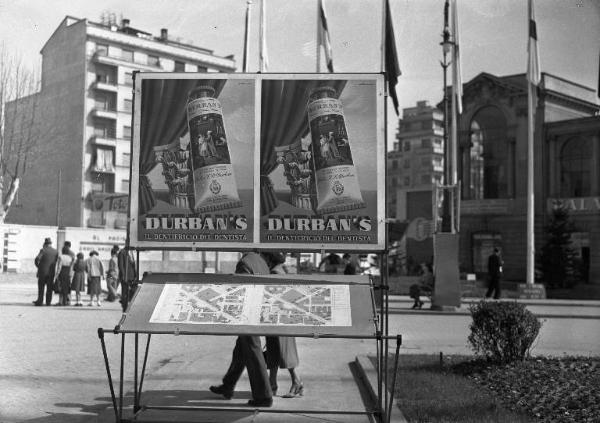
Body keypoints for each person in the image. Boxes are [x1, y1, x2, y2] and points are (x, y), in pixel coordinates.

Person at [210, 251, 273, 408]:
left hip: (247, 315)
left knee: (253, 351)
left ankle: (264, 396)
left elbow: (241, 290)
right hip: (259, 311)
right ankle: (228, 385)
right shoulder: (261, 262)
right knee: (240, 351)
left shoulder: (244, 263)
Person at [261, 252, 303, 399]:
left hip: (278, 319)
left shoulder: (273, 274)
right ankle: (272, 384)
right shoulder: (283, 272)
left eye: (264, 258)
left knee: (282, 353)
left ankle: (295, 382)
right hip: (283, 318)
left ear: (269, 259)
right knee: (275, 352)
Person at [33, 238, 59, 306]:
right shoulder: (56, 251)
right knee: (49, 288)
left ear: (45, 244)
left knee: (41, 287)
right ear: (51, 244)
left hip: (42, 272)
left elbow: (37, 259)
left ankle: (40, 301)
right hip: (51, 272)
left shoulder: (43, 250)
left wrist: (39, 266)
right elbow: (56, 261)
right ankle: (48, 302)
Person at [118, 247, 138, 312]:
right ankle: (125, 308)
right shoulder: (122, 252)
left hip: (132, 276)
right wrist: (123, 276)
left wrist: (135, 275)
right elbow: (121, 265)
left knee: (134, 291)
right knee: (125, 293)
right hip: (125, 276)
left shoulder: (132, 252)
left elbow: (133, 264)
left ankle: (129, 304)